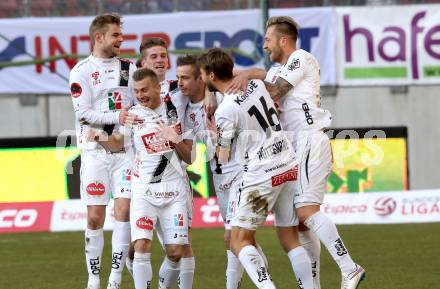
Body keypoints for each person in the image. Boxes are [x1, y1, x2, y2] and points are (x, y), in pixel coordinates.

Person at [227, 16, 366, 289]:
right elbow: (268, 80)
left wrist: (248, 79)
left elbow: (275, 91)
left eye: (267, 40)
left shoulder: (300, 58)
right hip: (295, 147)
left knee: (306, 212)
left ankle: (349, 267)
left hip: (308, 141)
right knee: (302, 226)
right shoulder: (283, 67)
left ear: (283, 40)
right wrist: (246, 76)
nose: (264, 46)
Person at [199, 48, 314, 289]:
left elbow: (224, 154)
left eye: (202, 74)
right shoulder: (256, 85)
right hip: (288, 165)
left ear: (211, 76)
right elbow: (263, 74)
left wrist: (214, 135)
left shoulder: (225, 110)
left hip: (262, 174)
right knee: (291, 240)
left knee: (238, 241)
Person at [89, 67, 194, 289]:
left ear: (158, 87)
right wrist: (99, 137)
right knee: (142, 246)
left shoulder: (175, 112)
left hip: (174, 191)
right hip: (143, 191)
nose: (141, 95)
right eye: (136, 91)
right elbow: (118, 144)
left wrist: (174, 139)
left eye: (145, 90)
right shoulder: (133, 115)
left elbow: (190, 157)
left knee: (175, 253)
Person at [69, 13, 141, 289]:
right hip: (94, 152)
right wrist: (118, 117)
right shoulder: (81, 71)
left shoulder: (129, 68)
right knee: (95, 217)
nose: (121, 40)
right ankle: (94, 278)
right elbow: (83, 114)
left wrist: (128, 123)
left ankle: (115, 277)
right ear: (99, 37)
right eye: (116, 35)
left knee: (123, 211)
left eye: (121, 35)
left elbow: (138, 104)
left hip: (125, 152)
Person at [176, 54, 251, 289]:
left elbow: (254, 75)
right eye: (178, 78)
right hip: (220, 178)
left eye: (185, 78)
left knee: (232, 238)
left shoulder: (222, 95)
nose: (180, 83)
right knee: (243, 242)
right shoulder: (183, 107)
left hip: (240, 171)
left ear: (202, 78)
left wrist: (210, 92)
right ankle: (262, 275)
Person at [138, 37, 195, 289]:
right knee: (136, 246)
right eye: (154, 56)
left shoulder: (179, 89)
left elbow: (203, 84)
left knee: (181, 247)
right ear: (142, 62)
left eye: (163, 55)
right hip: (143, 179)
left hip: (175, 176)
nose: (161, 60)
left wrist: (212, 97)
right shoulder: (135, 94)